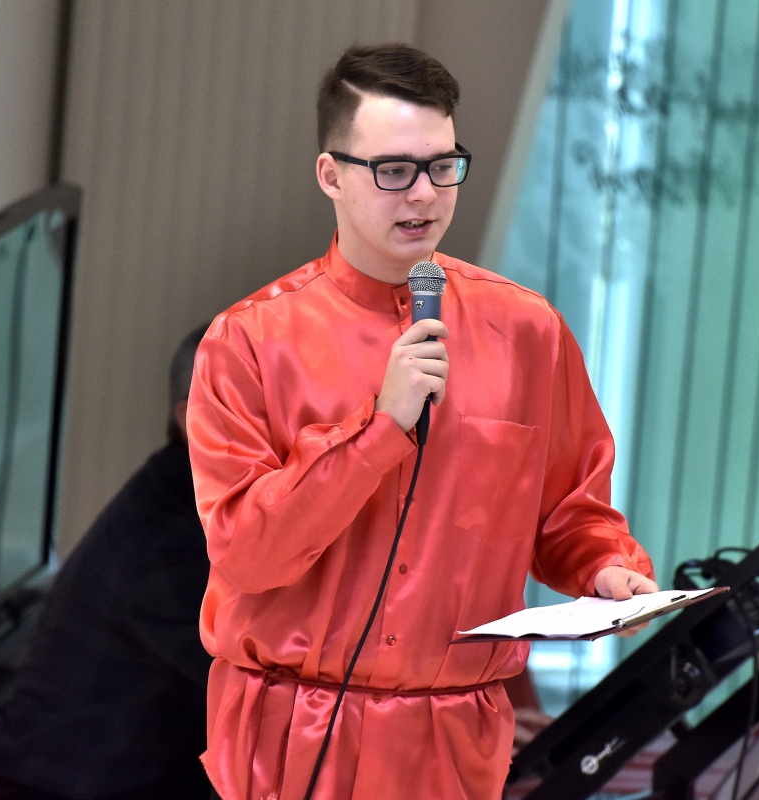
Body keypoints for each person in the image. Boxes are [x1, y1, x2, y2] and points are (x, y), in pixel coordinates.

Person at [187, 44, 657, 800]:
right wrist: (381, 429)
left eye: (443, 166)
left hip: (451, 738)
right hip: (293, 733)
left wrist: (605, 568)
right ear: (331, 175)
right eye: (394, 170)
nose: (425, 195)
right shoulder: (248, 342)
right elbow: (247, 556)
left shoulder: (527, 332)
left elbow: (570, 512)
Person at [0, 326, 214, 800]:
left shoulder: (208, 499)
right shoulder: (166, 526)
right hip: (69, 785)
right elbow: (240, 673)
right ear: (190, 419)